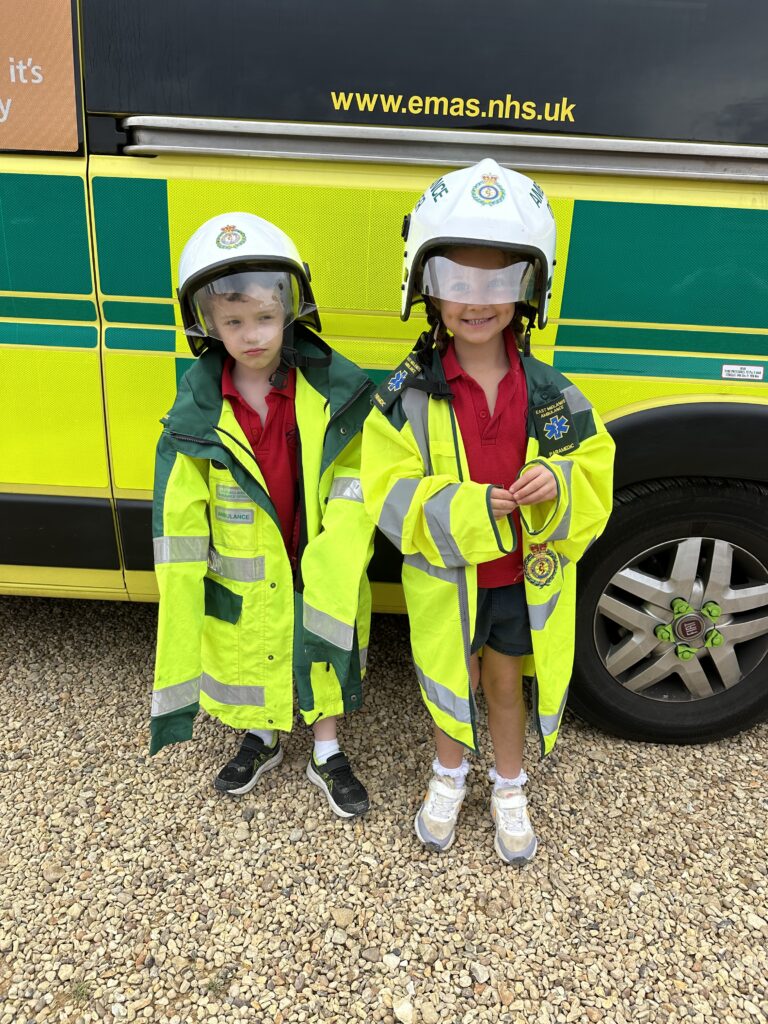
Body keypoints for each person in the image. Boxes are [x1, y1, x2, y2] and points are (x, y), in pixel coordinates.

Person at [361, 159, 615, 862]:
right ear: (426, 288)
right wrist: (471, 507)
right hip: (448, 578)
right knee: (450, 679)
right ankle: (448, 775)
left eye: (500, 282)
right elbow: (388, 488)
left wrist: (556, 484)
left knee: (506, 683)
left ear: (528, 289)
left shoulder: (553, 392)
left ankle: (509, 786)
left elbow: (594, 466)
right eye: (457, 282)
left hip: (515, 578)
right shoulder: (406, 397)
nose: (478, 300)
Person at [150, 212, 375, 818]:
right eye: (234, 322)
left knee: (325, 640)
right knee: (256, 644)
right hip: (247, 564)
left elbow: (359, 477)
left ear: (290, 311)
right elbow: (179, 517)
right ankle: (264, 735)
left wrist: (340, 545)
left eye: (266, 318)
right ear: (207, 324)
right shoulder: (196, 411)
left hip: (318, 549)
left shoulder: (334, 391)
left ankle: (326, 750)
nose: (252, 335)